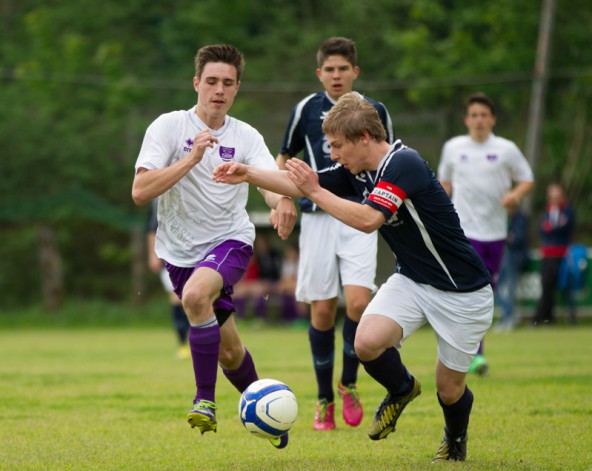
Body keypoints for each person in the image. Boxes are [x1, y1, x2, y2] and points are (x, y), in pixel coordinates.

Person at [213, 92, 494, 463]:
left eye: (337, 145)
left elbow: (368, 220)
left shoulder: (403, 163)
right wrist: (248, 174)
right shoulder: (356, 173)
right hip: (412, 281)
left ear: (364, 137)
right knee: (366, 343)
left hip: (463, 292)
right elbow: (300, 184)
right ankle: (402, 389)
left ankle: (455, 441)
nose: (333, 154)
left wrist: (313, 190)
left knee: (449, 388)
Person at [131, 44, 297, 449]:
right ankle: (269, 411)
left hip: (231, 241)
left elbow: (269, 183)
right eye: (211, 82)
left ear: (237, 88)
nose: (218, 90)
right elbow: (139, 192)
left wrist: (283, 203)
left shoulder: (246, 136)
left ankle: (204, 401)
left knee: (193, 296)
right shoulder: (168, 127)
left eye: (227, 83)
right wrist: (190, 159)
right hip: (179, 252)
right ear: (196, 83)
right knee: (230, 351)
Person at [274, 36, 395, 430]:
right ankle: (324, 398)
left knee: (359, 304)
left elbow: (387, 159)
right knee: (323, 309)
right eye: (330, 69)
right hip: (317, 218)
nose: (337, 75)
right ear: (319, 73)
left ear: (355, 71)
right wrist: (283, 199)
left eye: (344, 68)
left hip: (358, 214)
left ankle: (349, 383)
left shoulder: (372, 110)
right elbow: (285, 156)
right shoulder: (306, 110)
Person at [438, 92, 534, 375]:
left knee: (485, 292)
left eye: (484, 115)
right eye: (474, 115)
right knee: (471, 290)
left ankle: (468, 349)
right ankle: (474, 354)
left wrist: (515, 195)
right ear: (467, 120)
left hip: (496, 233)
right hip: (465, 231)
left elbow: (527, 179)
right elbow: (444, 185)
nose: (479, 120)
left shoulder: (506, 149)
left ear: (492, 119)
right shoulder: (454, 147)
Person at [146, 197, 191, 358]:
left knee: (199, 299)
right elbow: (152, 227)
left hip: (198, 254)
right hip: (171, 257)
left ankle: (203, 342)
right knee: (177, 299)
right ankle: (182, 344)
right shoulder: (159, 196)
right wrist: (153, 255)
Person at [532, 183, 575, 326]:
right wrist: (550, 229)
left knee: (555, 286)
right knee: (546, 285)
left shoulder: (567, 211)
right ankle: (545, 317)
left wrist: (551, 228)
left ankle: (541, 317)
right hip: (547, 254)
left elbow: (560, 231)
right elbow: (542, 230)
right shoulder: (547, 212)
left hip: (560, 255)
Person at [494, 207, 530, 331]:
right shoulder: (502, 217)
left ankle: (509, 317)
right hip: (501, 258)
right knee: (496, 288)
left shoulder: (519, 218)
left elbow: (517, 239)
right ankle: (507, 315)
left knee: (509, 289)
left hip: (513, 258)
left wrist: (504, 237)